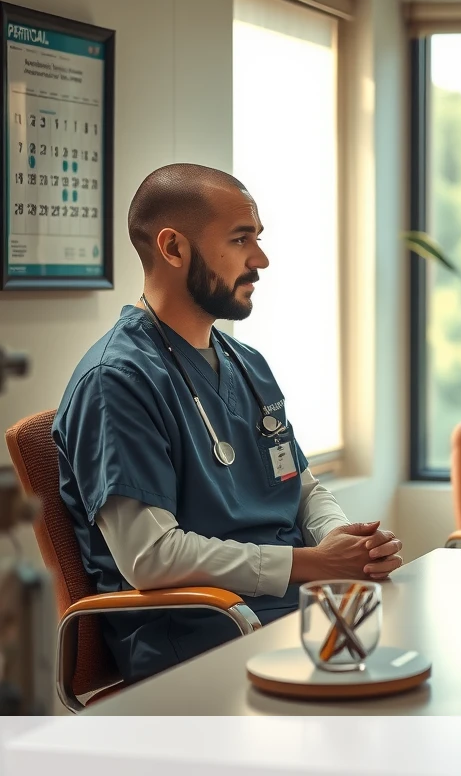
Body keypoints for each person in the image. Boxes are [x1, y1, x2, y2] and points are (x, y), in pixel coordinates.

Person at [52, 163, 404, 683]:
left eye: (258, 239)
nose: (261, 260)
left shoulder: (245, 363)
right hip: (202, 634)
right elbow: (152, 558)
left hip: (287, 614)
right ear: (173, 249)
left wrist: (341, 539)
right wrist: (313, 565)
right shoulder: (117, 381)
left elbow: (300, 486)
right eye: (241, 240)